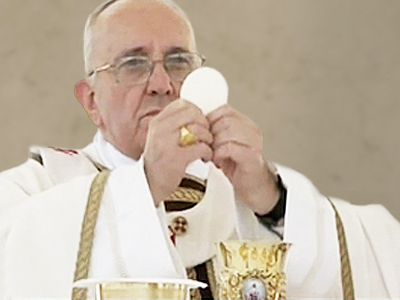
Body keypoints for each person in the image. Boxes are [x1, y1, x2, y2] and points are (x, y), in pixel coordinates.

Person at [0, 0, 399, 299]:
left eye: (178, 61)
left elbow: (380, 262)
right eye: (134, 63)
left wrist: (272, 201)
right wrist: (146, 184)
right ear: (91, 102)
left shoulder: (242, 188)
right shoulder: (36, 190)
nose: (161, 83)